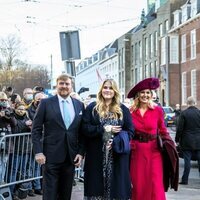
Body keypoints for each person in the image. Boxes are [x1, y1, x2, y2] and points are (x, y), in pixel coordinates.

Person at [31, 74, 85, 200]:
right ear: (57, 85)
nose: (64, 86)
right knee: (50, 194)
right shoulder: (45, 103)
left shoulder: (79, 105)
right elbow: (36, 130)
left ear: (71, 86)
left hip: (70, 157)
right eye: (61, 83)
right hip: (50, 157)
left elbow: (82, 132)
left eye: (67, 84)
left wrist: (81, 153)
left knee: (65, 194)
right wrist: (38, 152)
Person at [82, 78, 134, 200]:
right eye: (105, 87)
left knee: (116, 189)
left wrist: (116, 141)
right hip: (96, 154)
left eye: (111, 88)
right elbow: (85, 128)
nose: (108, 90)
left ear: (115, 91)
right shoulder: (92, 108)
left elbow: (130, 131)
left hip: (117, 156)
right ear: (101, 90)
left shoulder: (122, 109)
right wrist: (103, 128)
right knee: (95, 188)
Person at [127, 78, 178, 200]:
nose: (145, 95)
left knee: (155, 184)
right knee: (138, 184)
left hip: (154, 151)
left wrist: (171, 145)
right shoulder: (130, 112)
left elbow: (163, 130)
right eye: (142, 92)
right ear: (138, 95)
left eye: (148, 92)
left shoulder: (157, 110)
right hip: (136, 152)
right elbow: (127, 131)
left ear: (151, 94)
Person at [175, 96, 200, 185]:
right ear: (194, 103)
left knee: (187, 162)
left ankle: (185, 180)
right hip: (198, 141)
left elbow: (180, 128)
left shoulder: (184, 113)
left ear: (187, 103)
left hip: (187, 141)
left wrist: (177, 139)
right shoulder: (199, 113)